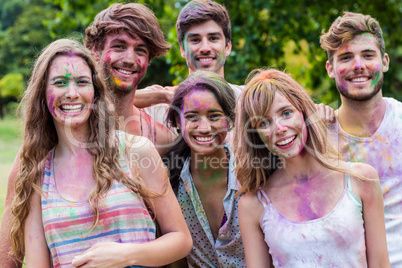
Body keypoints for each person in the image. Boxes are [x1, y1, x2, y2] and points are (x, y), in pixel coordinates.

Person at [0, 3, 177, 266]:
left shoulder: (157, 138)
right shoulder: (41, 155)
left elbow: (183, 231)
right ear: (93, 51)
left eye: (141, 50)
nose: (129, 58)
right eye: (119, 46)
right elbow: (9, 255)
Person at [234, 68, 389, 267]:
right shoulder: (253, 204)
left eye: (286, 113)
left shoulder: (361, 179)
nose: (279, 128)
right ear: (256, 135)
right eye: (264, 122)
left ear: (304, 112)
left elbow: (381, 264)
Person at [320, 11, 402, 267]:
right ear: (331, 69)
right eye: (346, 57)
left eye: (368, 55)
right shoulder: (318, 138)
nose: (358, 65)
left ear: (385, 62)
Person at [164, 71, 245, 267]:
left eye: (214, 116)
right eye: (192, 117)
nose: (204, 128)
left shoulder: (251, 176)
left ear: (230, 119)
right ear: (177, 120)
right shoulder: (169, 183)